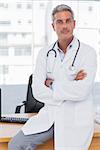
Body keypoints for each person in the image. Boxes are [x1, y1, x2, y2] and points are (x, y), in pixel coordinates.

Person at [8, 4, 97, 150]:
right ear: (53, 26)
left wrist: (52, 84)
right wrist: (70, 84)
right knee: (16, 145)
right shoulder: (44, 53)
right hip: (50, 115)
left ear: (74, 24)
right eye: (59, 22)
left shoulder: (88, 53)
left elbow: (83, 91)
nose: (64, 26)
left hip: (75, 118)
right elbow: (37, 90)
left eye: (68, 21)